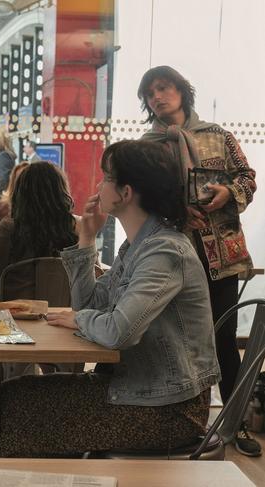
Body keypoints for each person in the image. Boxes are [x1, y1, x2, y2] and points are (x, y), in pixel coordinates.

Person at [0, 140, 221, 457]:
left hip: (169, 410)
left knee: (11, 409)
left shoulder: (165, 250)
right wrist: (87, 238)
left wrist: (80, 319)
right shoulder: (137, 248)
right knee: (9, 397)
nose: (99, 185)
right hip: (139, 390)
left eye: (106, 177)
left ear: (125, 193)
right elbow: (89, 305)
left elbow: (117, 332)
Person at [138, 66, 259, 456]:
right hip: (169, 256)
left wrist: (227, 191)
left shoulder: (218, 136)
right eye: (150, 92)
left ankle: (235, 424)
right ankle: (186, 426)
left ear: (180, 91)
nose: (158, 97)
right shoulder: (147, 145)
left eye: (164, 88)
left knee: (223, 338)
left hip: (218, 255)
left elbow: (248, 177)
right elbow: (140, 198)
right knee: (176, 342)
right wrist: (173, 213)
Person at [0, 162, 78, 299]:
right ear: (61, 191)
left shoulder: (9, 228)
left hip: (17, 313)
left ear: (20, 192)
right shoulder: (74, 228)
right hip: (62, 314)